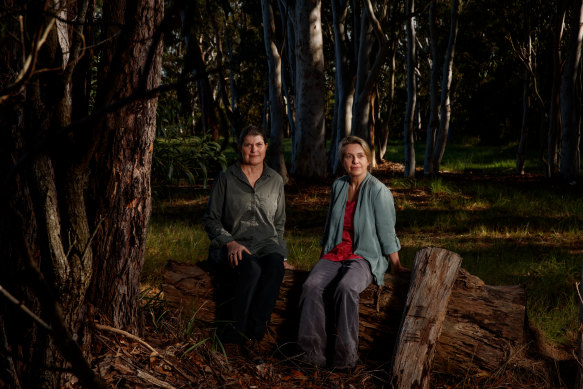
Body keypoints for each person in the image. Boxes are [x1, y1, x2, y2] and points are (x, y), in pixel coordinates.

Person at [297, 135, 407, 369]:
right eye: (349, 156)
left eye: (360, 156)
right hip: (335, 253)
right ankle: (312, 356)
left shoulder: (379, 191)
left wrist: (396, 266)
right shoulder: (338, 186)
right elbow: (329, 226)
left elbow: (387, 232)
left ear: (368, 160)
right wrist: (322, 260)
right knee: (310, 286)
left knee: (346, 287)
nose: (355, 161)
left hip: (364, 256)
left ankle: (345, 359)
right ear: (342, 161)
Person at [202, 125, 287, 360]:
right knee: (251, 268)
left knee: (274, 267)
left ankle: (254, 338)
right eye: (248, 144)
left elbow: (279, 224)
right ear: (240, 148)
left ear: (265, 147)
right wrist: (229, 242)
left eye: (258, 144)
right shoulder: (226, 178)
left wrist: (281, 253)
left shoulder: (275, 180)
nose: (254, 149)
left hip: (266, 244)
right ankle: (232, 337)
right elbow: (211, 219)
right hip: (232, 244)